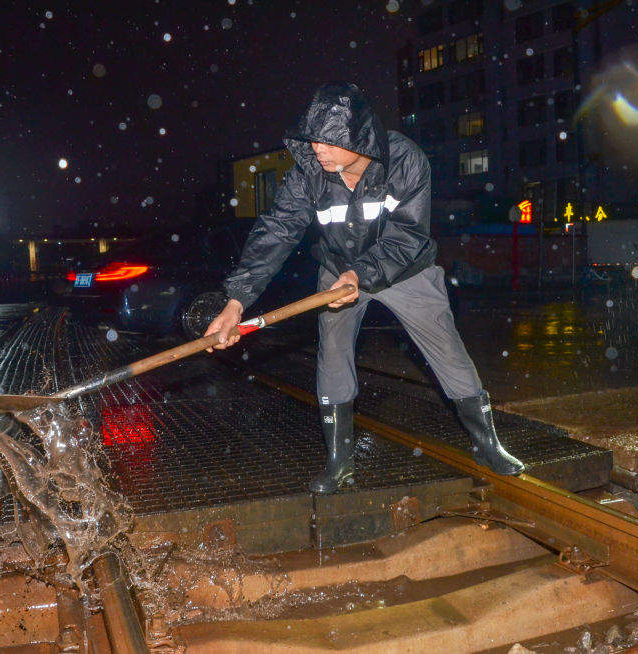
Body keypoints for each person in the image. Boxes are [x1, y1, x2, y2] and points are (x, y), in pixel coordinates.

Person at [205, 82, 523, 493]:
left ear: (358, 138)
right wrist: (236, 302)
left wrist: (363, 274)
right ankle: (340, 462)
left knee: (447, 349)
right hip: (336, 271)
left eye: (328, 140)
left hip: (405, 269)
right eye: (312, 139)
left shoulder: (406, 160)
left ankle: (487, 444)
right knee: (333, 356)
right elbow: (276, 231)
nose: (317, 149)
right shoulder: (309, 174)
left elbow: (409, 234)